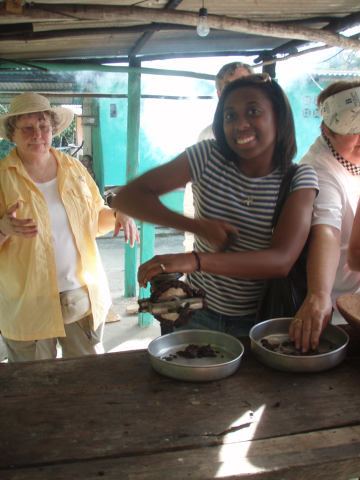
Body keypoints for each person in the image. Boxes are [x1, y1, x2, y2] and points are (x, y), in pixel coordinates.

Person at [112, 73, 318, 337]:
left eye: (253, 111)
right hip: (197, 312)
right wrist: (197, 226)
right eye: (230, 116)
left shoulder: (299, 179)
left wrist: (194, 261)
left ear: (278, 117)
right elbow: (128, 197)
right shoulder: (208, 155)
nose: (240, 124)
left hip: (261, 321)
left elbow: (280, 261)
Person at [0, 92, 139, 362]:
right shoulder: (2, 178)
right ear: (11, 133)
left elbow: (96, 217)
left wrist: (119, 214)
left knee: (86, 382)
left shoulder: (74, 168)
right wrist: (3, 228)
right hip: (27, 303)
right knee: (35, 387)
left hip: (80, 297)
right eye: (27, 128)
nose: (37, 135)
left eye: (44, 127)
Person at [290, 80, 360, 353]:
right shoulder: (317, 169)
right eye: (352, 131)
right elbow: (327, 229)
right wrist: (319, 295)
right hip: (331, 306)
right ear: (327, 130)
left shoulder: (351, 158)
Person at [184, 61, 254, 253]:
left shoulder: (269, 135)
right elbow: (193, 197)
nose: (237, 92)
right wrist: (190, 247)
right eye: (228, 87)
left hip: (256, 253)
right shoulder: (207, 138)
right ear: (219, 95)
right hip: (211, 253)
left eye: (243, 83)